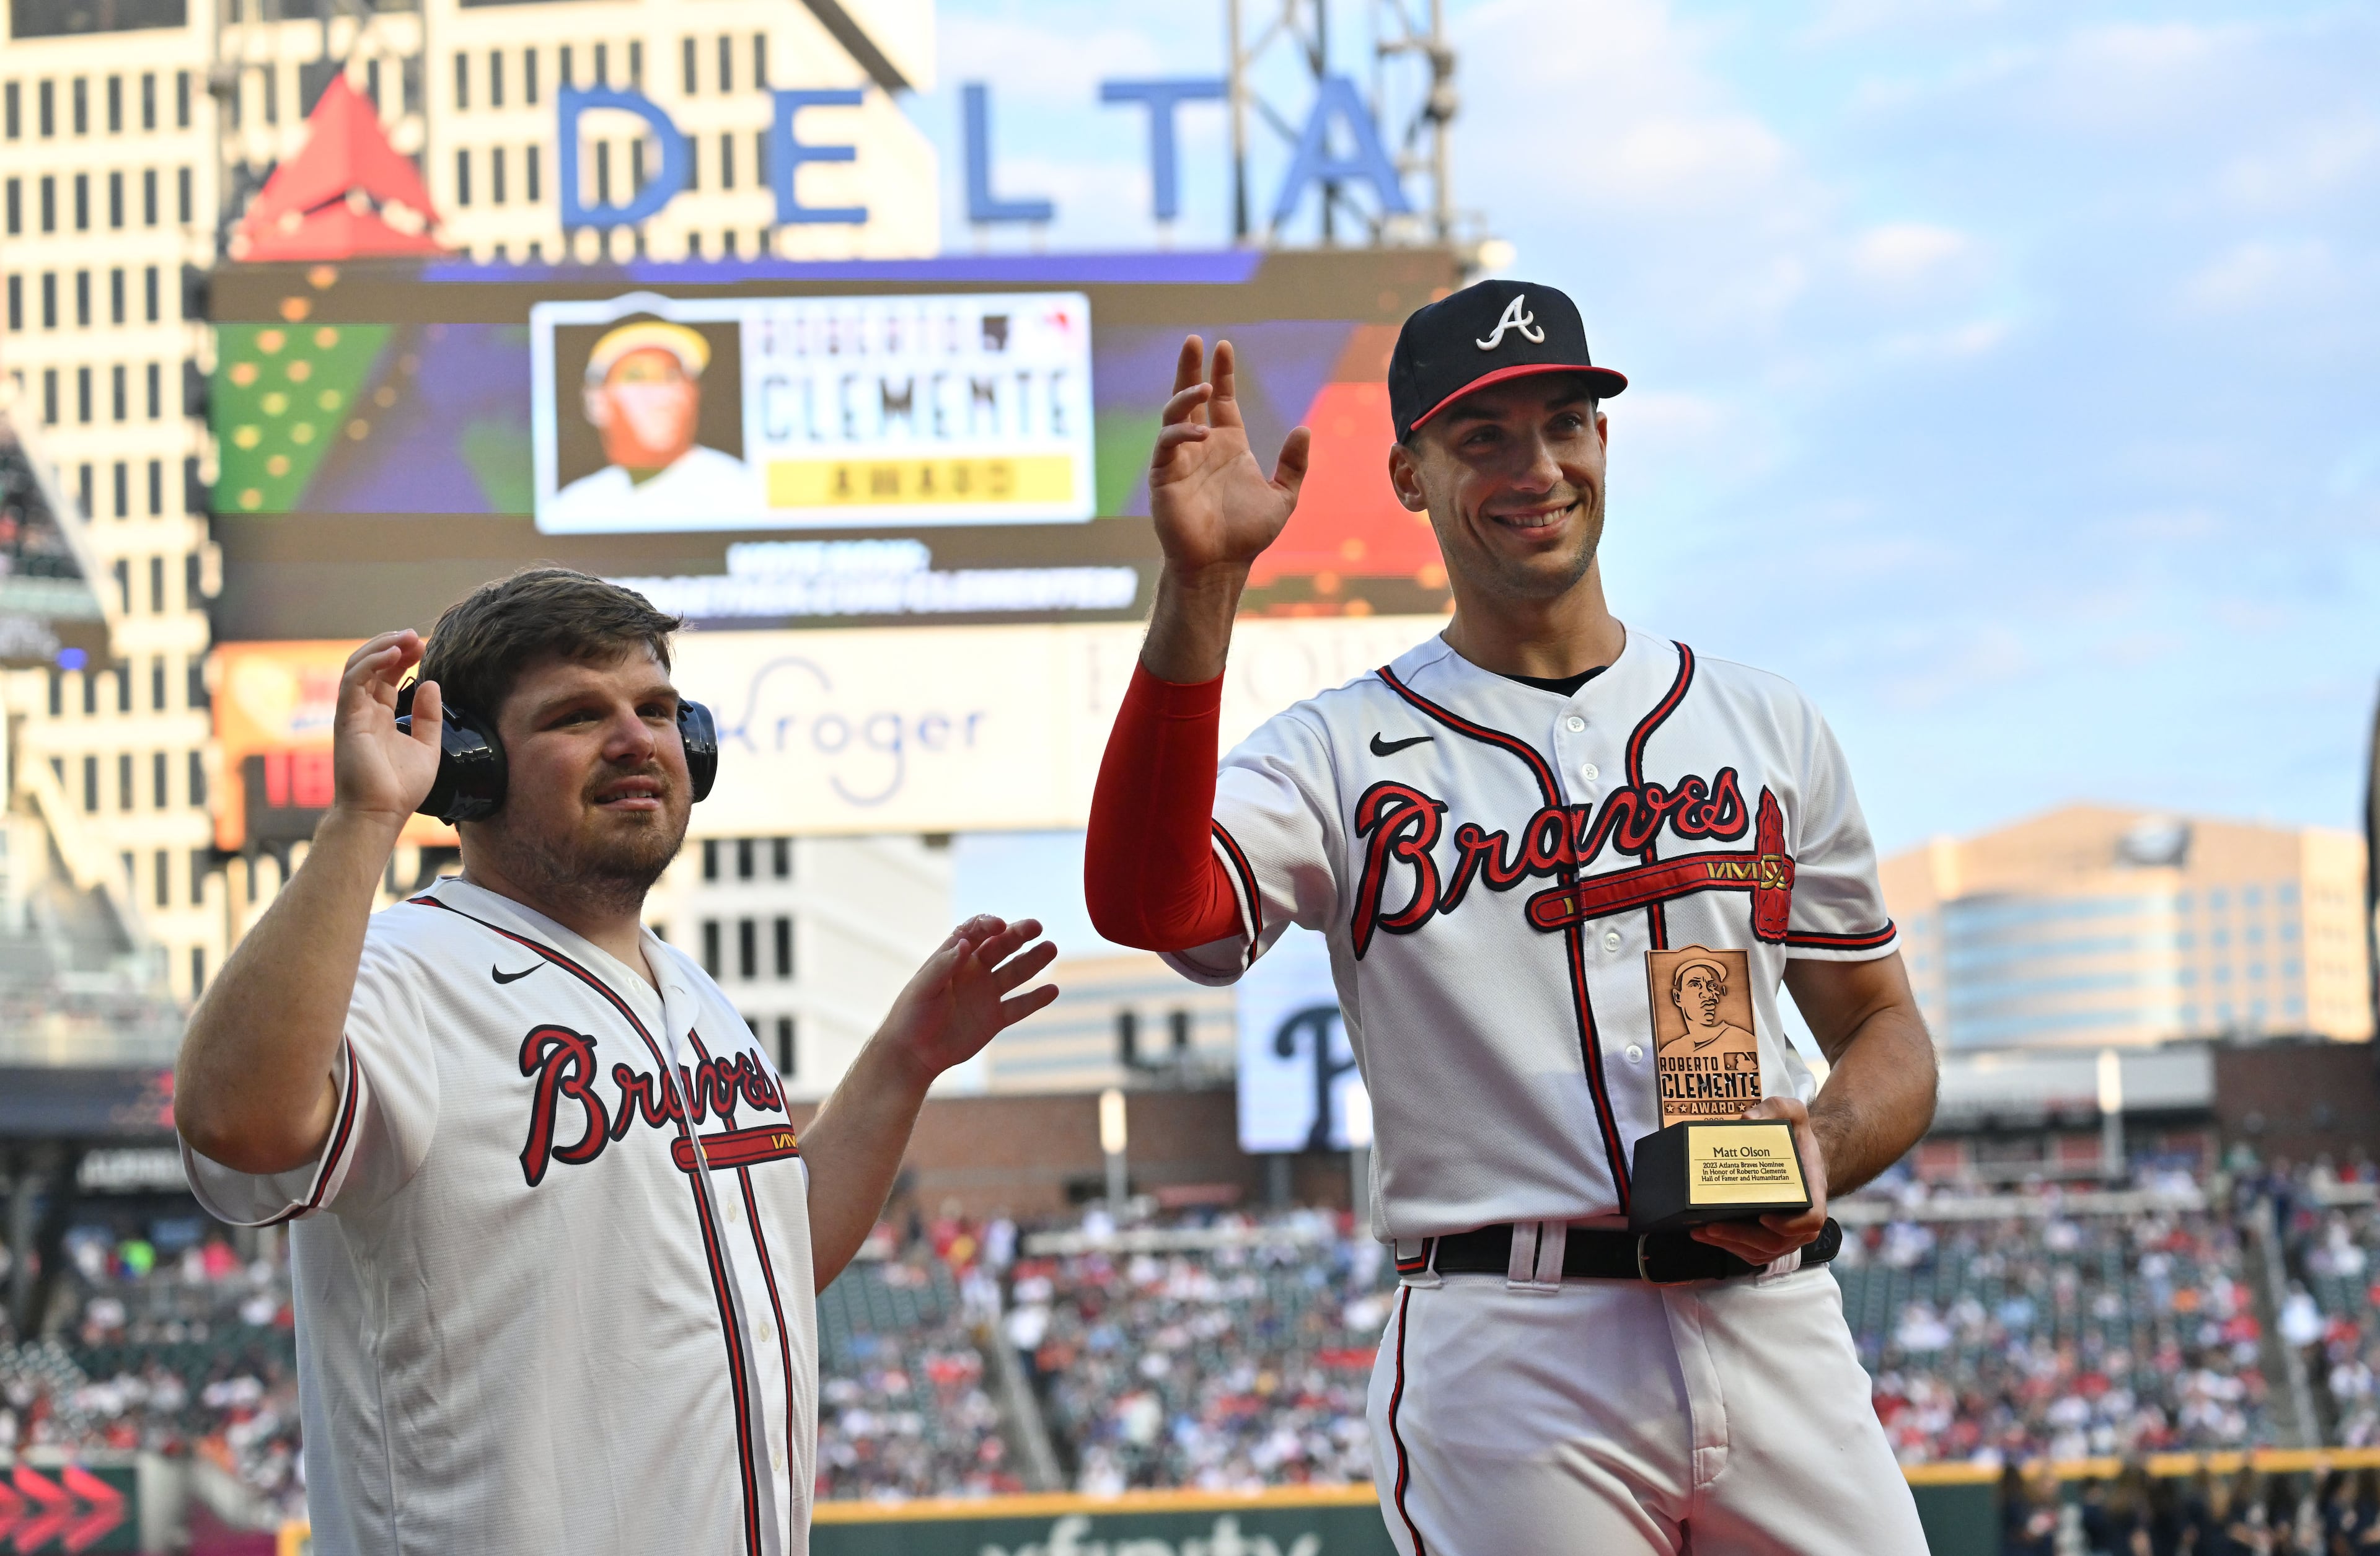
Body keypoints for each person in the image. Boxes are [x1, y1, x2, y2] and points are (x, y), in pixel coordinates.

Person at [1083, 279, 1938, 1553]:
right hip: (1515, 1347)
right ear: (1410, 475)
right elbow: (1154, 905)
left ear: (1604, 440)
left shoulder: (1766, 722)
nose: (1535, 465)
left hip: (1779, 1325)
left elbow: (1887, 1029)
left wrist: (1820, 1139)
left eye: (1565, 422)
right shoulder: (1339, 754)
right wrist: (1201, 586)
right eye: (1484, 437)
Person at [173, 568, 1056, 1554]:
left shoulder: (699, 998)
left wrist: (902, 1065)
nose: (639, 738)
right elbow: (234, 1121)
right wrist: (362, 821)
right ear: (470, 764)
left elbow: (774, 1259)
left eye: (658, 709)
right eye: (578, 716)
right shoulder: (405, 971)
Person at [545, 320, 759, 530]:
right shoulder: (574, 506)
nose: (661, 397)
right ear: (596, 402)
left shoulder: (743, 491)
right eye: (637, 378)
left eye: (672, 377)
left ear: (694, 394)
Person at [1659, 957, 1755, 1059]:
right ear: (1678, 997)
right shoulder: (1671, 1051)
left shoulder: (1742, 1040)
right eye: (1695, 985)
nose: (1707, 994)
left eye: (1712, 985)